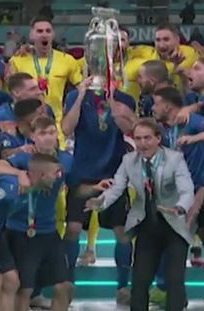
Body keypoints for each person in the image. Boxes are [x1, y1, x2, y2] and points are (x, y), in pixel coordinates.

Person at [86, 118, 195, 311]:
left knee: (174, 279)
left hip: (173, 226)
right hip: (146, 225)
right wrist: (100, 202)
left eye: (147, 138)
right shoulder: (129, 160)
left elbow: (187, 190)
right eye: (138, 139)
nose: (142, 144)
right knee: (140, 280)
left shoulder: (175, 159)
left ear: (158, 138)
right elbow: (116, 187)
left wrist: (179, 208)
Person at [0, 151, 66, 311]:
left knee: (12, 281)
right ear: (42, 175)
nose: (58, 177)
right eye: (55, 173)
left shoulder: (34, 189)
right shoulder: (10, 186)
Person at [62, 78, 137, 304]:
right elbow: (66, 129)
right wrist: (80, 95)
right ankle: (67, 284)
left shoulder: (124, 98)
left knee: (122, 232)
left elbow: (128, 129)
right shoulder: (75, 96)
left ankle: (123, 287)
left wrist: (113, 101)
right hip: (82, 172)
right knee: (73, 228)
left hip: (114, 172)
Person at [151, 87, 204, 304]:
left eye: (156, 103)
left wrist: (193, 138)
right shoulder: (164, 130)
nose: (153, 108)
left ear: (167, 106)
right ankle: (171, 292)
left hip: (202, 188)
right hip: (178, 193)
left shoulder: (192, 121)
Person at [8, 15, 82, 145]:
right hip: (27, 128)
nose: (44, 35)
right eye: (39, 31)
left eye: (48, 31)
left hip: (56, 128)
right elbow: (12, 94)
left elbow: (81, 88)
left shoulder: (67, 60)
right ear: (31, 35)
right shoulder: (17, 60)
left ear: (53, 35)